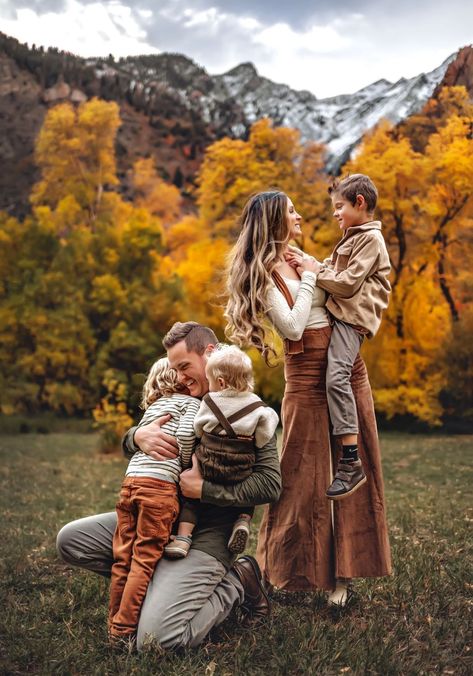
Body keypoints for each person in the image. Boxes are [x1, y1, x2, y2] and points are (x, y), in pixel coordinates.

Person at [56, 321, 281, 650]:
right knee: (71, 541)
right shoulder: (180, 400)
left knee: (157, 640)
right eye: (174, 369)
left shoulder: (246, 410)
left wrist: (203, 491)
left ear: (210, 354)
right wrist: (136, 436)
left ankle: (239, 581)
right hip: (156, 518)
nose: (178, 377)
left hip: (207, 533)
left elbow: (270, 485)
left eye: (185, 367)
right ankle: (161, 587)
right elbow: (136, 443)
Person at [225, 189, 391, 607]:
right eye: (292, 211)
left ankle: (344, 576)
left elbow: (342, 295)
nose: (300, 216)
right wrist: (315, 275)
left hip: (344, 365)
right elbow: (295, 326)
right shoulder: (260, 274)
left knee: (354, 464)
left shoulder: (299, 254)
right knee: (299, 474)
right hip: (305, 369)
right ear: (274, 221)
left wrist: (323, 276)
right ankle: (277, 570)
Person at [108, 357, 200, 643]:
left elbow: (138, 442)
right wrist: (185, 462)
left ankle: (114, 622)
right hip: (158, 489)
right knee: (143, 560)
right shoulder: (191, 404)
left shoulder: (154, 408)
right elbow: (185, 434)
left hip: (130, 485)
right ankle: (123, 630)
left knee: (122, 558)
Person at [314, 174, 391, 500]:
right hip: (340, 314)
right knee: (333, 376)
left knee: (336, 377)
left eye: (339, 206)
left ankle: (350, 460)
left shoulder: (371, 240)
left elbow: (346, 284)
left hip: (352, 319)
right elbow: (331, 271)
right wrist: (308, 263)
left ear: (360, 203)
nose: (335, 213)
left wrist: (312, 270)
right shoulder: (351, 236)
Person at [164, 344, 279, 559]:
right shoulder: (259, 407)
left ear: (220, 382)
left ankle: (183, 538)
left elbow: (198, 428)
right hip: (240, 469)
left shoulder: (210, 401)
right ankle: (243, 519)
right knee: (247, 487)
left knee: (192, 500)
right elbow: (264, 435)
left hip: (208, 465)